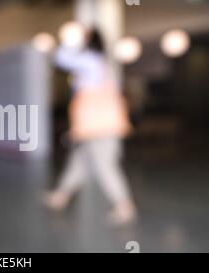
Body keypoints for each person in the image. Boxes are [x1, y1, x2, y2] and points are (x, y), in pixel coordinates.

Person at [44, 29, 137, 226]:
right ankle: (61, 196)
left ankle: (124, 207)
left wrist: (71, 40)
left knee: (105, 165)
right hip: (95, 127)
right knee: (79, 162)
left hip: (99, 128)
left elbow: (61, 58)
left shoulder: (91, 61)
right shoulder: (103, 64)